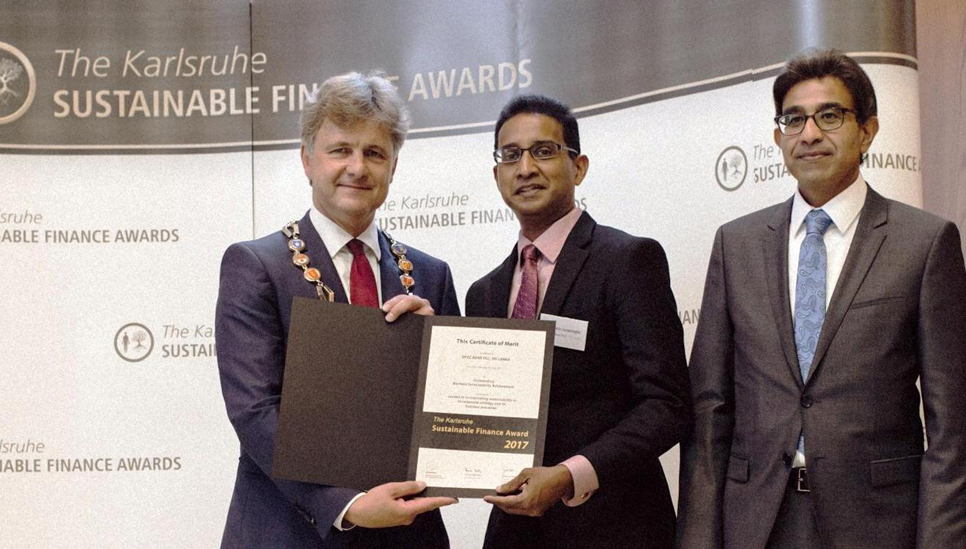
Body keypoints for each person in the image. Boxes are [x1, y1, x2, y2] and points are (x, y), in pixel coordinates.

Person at [676, 49, 966, 549]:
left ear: (868, 131)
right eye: (794, 119)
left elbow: (951, 427)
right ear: (778, 138)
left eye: (829, 116)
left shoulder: (924, 242)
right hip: (756, 521)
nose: (809, 133)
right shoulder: (736, 244)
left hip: (877, 525)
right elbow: (710, 412)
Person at [215, 71, 460, 548]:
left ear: (394, 167)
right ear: (307, 160)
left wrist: (442, 354)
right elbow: (255, 411)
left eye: (374, 153)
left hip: (410, 536)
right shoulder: (256, 266)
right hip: (290, 529)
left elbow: (452, 421)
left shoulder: (431, 276)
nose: (357, 167)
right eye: (340, 150)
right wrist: (344, 505)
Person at [465, 94, 691, 548]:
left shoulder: (627, 260)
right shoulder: (483, 294)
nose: (525, 167)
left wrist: (570, 475)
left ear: (579, 166)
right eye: (511, 156)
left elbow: (667, 405)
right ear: (497, 175)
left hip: (616, 528)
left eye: (543, 151)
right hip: (514, 534)